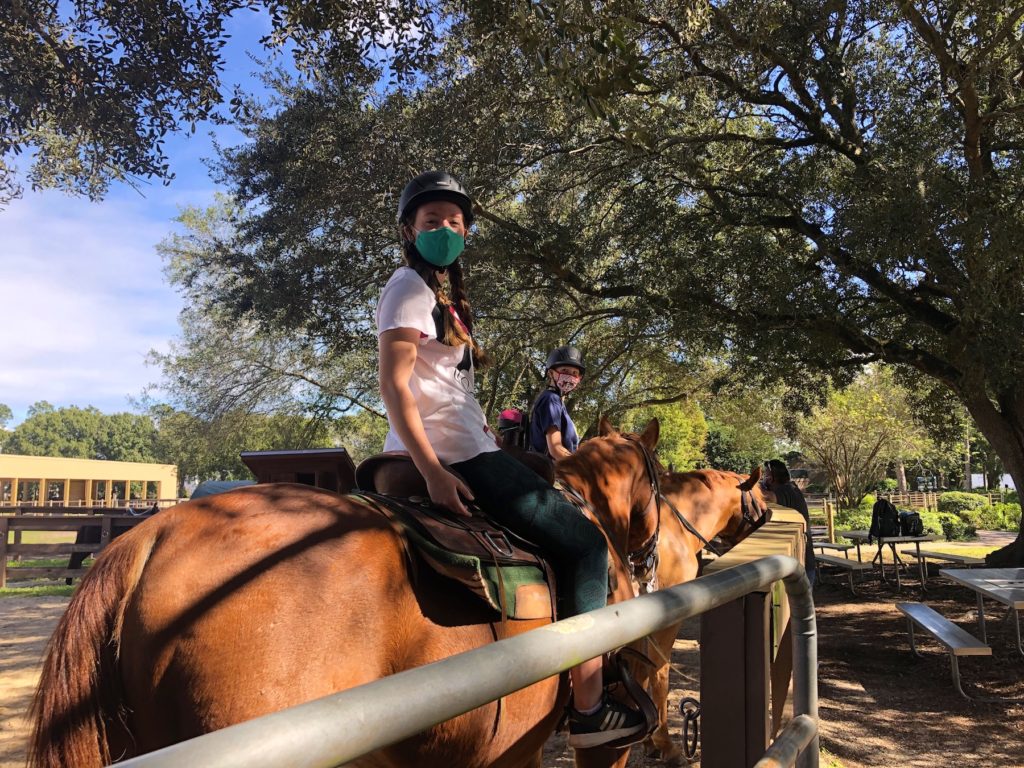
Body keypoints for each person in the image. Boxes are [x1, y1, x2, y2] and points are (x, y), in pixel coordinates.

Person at [376, 170, 645, 747]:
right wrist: (433, 472)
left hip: (468, 443)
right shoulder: (408, 288)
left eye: (454, 222)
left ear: (466, 233)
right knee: (586, 544)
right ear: (408, 229)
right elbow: (394, 387)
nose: (444, 230)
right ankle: (590, 705)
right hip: (453, 454)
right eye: (431, 222)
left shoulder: (441, 294)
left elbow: (440, 387)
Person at [763, 459, 817, 587]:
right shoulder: (792, 489)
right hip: (803, 561)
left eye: (766, 475)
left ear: (772, 478)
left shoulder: (786, 490)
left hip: (800, 563)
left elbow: (769, 497)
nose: (764, 479)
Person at [529, 346, 584, 459]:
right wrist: (581, 469)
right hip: (549, 471)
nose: (570, 376)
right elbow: (556, 449)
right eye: (564, 370)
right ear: (550, 373)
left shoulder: (556, 400)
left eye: (574, 373)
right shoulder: (551, 399)